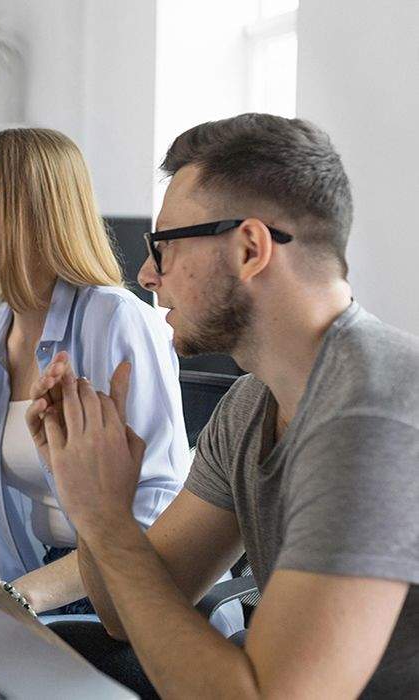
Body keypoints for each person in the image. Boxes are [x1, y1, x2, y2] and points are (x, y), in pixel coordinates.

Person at [28, 113, 419, 697]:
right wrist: (89, 491)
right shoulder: (251, 403)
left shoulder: (371, 415)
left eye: (163, 247)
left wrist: (110, 522)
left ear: (250, 248)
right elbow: (123, 616)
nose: (147, 275)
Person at [0, 128, 241, 633]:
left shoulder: (116, 321)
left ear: (42, 215)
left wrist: (26, 594)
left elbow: (157, 510)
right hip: (39, 600)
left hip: (135, 603)